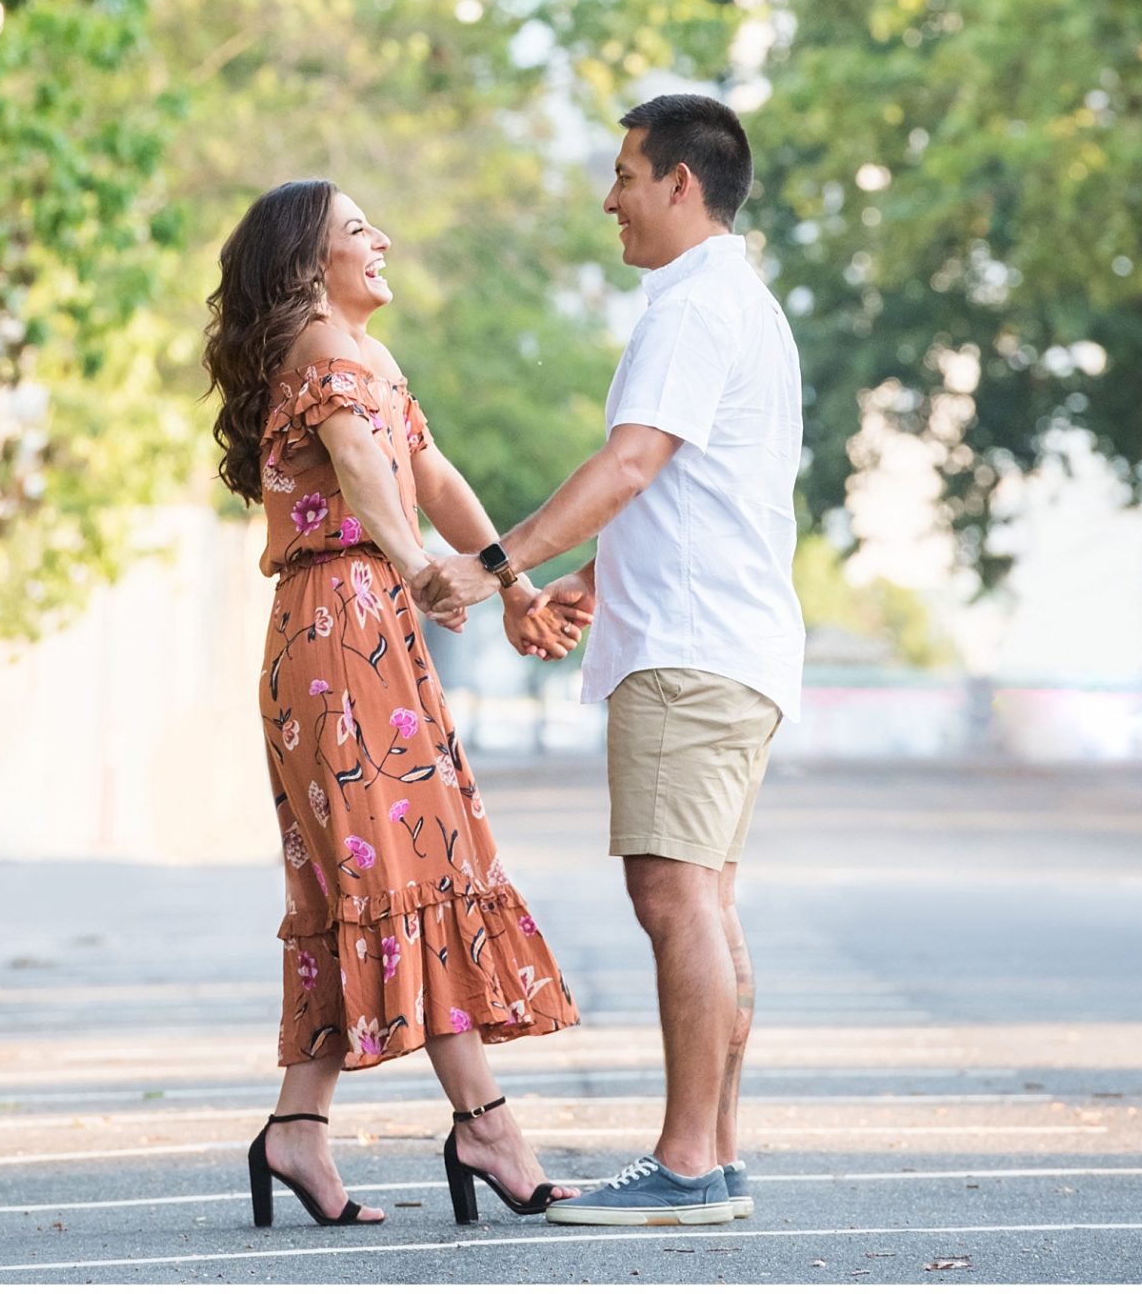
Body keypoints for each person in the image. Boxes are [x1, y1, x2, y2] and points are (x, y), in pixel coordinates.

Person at [427, 93, 805, 1230]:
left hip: (694, 654)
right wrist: (586, 584)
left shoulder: (692, 308)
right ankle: (717, 1157)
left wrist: (492, 560)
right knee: (705, 902)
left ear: (680, 183)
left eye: (626, 175)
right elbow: (693, 488)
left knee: (673, 896)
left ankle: (687, 1162)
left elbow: (633, 461)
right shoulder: (740, 303)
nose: (611, 199)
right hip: (727, 639)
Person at [204, 177, 583, 1232]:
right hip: (339, 629)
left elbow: (428, 465)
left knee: (371, 879)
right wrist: (419, 566)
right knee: (407, 869)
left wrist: (507, 578)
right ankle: (487, 1123)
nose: (384, 241)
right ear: (306, 266)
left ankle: (296, 1131)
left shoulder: (365, 358)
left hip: (366, 628)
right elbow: (368, 470)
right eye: (357, 230)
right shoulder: (319, 356)